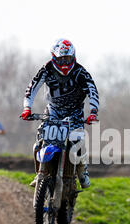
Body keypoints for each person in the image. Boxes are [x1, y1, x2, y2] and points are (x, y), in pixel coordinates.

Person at [20, 38, 100, 188]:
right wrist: (27, 108)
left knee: (78, 138)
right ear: (54, 57)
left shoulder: (80, 72)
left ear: (73, 56)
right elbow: (32, 88)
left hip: (74, 111)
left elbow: (92, 91)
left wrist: (93, 111)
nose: (64, 63)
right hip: (53, 110)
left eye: (67, 59)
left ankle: (83, 171)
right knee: (40, 140)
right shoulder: (47, 69)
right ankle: (40, 173)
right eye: (61, 59)